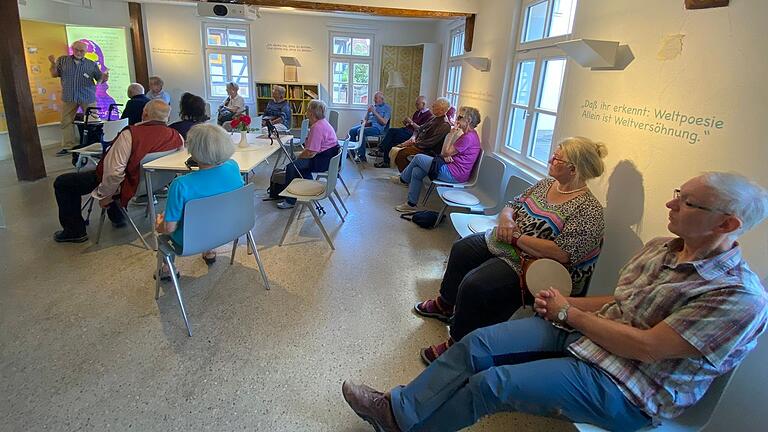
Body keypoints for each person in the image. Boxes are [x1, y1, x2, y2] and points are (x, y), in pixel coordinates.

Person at [342, 172, 768, 432]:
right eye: (678, 192)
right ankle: (398, 409)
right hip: (587, 334)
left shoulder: (737, 297)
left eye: (686, 201)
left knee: (492, 384)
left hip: (629, 385)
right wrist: (570, 305)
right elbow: (619, 301)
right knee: (478, 344)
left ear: (727, 223)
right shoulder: (662, 248)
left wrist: (571, 313)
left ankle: (410, 427)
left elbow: (648, 347)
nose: (670, 203)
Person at [414, 136, 607, 363]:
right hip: (511, 244)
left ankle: (458, 345)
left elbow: (561, 253)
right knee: (462, 249)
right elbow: (512, 205)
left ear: (573, 169)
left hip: (537, 265)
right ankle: (445, 304)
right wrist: (506, 220)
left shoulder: (589, 210)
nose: (550, 159)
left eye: (557, 158)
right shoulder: (547, 184)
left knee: (476, 285)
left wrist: (516, 237)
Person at [52, 100, 183, 243]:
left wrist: (105, 195)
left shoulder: (130, 135)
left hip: (129, 185)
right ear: (168, 118)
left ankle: (74, 231)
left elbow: (114, 173)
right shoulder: (176, 136)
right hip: (154, 184)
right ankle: (118, 216)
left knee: (63, 182)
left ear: (144, 113)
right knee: (118, 172)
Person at [155, 124, 243, 268]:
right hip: (231, 230)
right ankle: (210, 251)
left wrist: (159, 226)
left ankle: (166, 270)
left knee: (163, 229)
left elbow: (170, 229)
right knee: (213, 209)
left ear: (193, 151)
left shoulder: (180, 185)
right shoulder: (233, 166)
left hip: (190, 240)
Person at [394, 106, 482, 212]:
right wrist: (448, 155)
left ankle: (403, 179)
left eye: (460, 117)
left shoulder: (468, 137)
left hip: (454, 174)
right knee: (417, 171)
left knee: (417, 158)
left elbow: (444, 152)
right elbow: (449, 153)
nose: (457, 120)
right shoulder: (469, 135)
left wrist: (451, 134)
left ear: (468, 120)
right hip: (452, 168)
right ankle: (411, 205)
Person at [276, 99, 340, 210]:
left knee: (292, 166)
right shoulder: (323, 122)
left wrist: (298, 156)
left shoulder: (317, 127)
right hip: (329, 158)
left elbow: (311, 153)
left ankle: (290, 200)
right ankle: (306, 190)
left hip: (323, 161)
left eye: (308, 109)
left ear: (311, 112)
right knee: (300, 166)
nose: (306, 111)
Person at [48, 40, 109, 155]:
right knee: (66, 122)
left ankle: (95, 145)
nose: (79, 52)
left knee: (93, 122)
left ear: (85, 52)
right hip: (69, 96)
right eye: (76, 50)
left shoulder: (91, 64)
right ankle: (68, 146)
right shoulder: (63, 60)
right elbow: (54, 74)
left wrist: (105, 77)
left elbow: (100, 79)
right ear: (72, 49)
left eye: (82, 51)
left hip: (87, 97)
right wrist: (52, 63)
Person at [390, 98, 452, 172]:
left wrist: (414, 144)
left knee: (401, 153)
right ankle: (405, 175)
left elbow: (430, 142)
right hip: (419, 144)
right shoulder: (433, 118)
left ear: (442, 110)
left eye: (435, 106)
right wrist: (413, 137)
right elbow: (419, 129)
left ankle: (404, 177)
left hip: (428, 150)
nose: (432, 106)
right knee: (395, 148)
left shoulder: (445, 125)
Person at [371, 96, 433, 168]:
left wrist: (411, 122)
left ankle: (381, 149)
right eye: (416, 104)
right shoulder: (417, 112)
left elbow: (420, 129)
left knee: (391, 131)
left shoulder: (429, 115)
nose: (416, 106)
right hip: (406, 130)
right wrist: (407, 123)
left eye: (417, 104)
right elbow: (411, 125)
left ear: (424, 104)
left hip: (412, 135)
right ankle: (386, 162)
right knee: (390, 141)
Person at [348, 91, 391, 163]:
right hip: (369, 125)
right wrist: (367, 113)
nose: (374, 100)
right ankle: (351, 154)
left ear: (381, 99)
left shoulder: (387, 108)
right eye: (374, 98)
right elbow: (366, 119)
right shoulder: (373, 107)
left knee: (360, 131)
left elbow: (384, 122)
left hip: (378, 128)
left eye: (376, 98)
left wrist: (374, 112)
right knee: (352, 131)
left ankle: (362, 157)